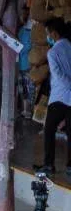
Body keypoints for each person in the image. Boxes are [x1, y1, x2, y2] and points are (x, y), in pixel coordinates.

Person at [36, 17, 71, 176]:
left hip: (59, 97)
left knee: (49, 130)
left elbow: (58, 74)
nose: (47, 36)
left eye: (48, 33)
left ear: (55, 34)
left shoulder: (53, 52)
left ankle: (49, 164)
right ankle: (70, 166)